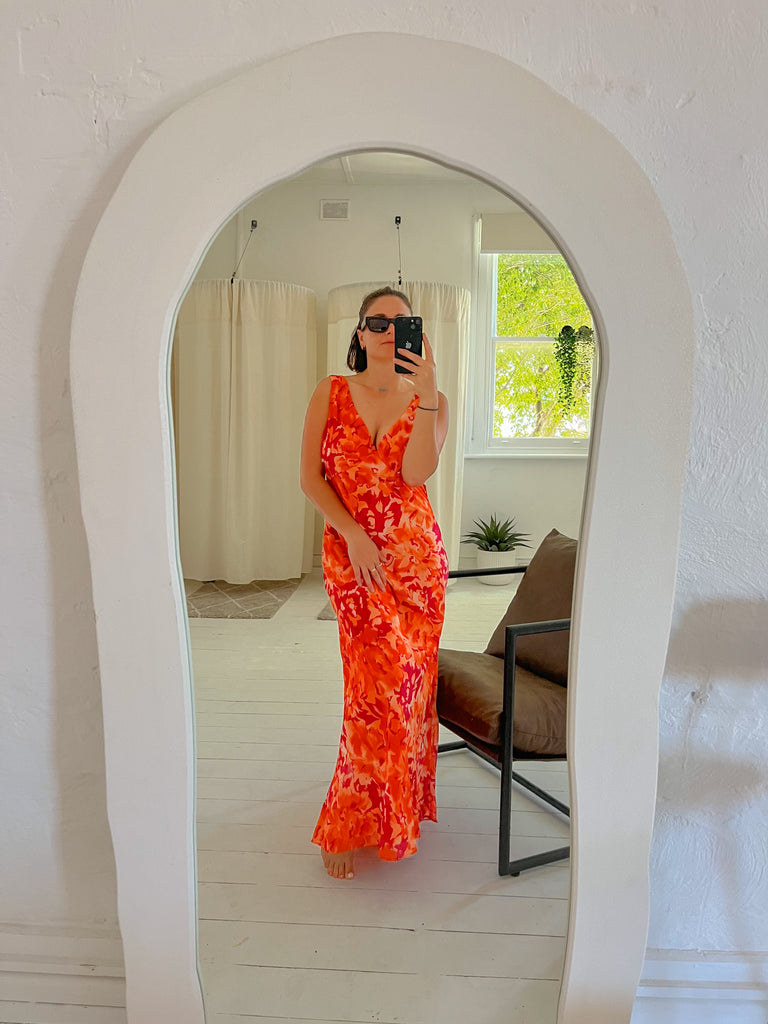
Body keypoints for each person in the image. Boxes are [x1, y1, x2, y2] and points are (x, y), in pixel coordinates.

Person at [300, 286, 449, 880]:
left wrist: (429, 398)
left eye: (400, 322)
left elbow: (415, 474)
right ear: (359, 333)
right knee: (372, 689)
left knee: (405, 691)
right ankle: (350, 818)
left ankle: (392, 815)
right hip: (353, 560)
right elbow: (311, 478)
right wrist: (353, 534)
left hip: (416, 568)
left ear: (416, 332)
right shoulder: (331, 392)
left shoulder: (432, 400)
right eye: (377, 321)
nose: (388, 330)